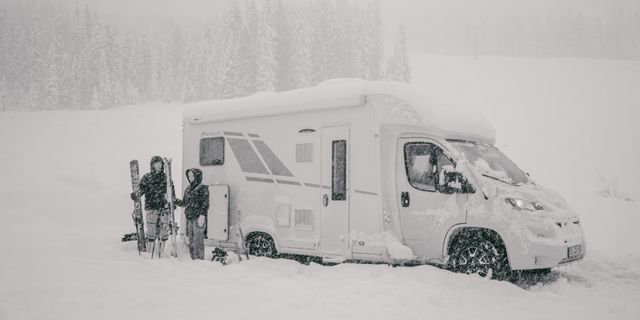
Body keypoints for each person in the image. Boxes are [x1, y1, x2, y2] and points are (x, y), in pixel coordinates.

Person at [131, 156, 172, 250]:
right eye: (157, 163)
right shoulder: (147, 177)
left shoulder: (166, 178)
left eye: (160, 163)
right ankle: (150, 251)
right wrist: (136, 195)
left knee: (163, 231)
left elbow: (171, 192)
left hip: (163, 208)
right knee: (151, 231)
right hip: (151, 207)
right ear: (152, 165)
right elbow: (141, 190)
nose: (159, 165)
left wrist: (171, 203)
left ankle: (161, 251)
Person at [174, 168, 209, 260]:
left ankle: (199, 260)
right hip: (189, 218)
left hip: (198, 218)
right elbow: (185, 203)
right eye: (189, 176)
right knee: (191, 240)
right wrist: (174, 200)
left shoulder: (202, 188)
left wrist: (202, 215)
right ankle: (193, 259)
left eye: (192, 176)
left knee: (198, 240)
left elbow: (205, 203)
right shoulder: (188, 189)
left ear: (197, 176)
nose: (190, 178)